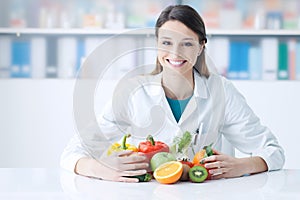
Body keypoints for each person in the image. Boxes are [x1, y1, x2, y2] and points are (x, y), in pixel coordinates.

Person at [60, 5, 285, 182]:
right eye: (166, 42)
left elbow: (273, 151)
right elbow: (73, 151)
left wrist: (243, 165)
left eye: (186, 44)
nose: (175, 53)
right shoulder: (132, 93)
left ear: (201, 47)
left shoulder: (221, 91)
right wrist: (101, 169)